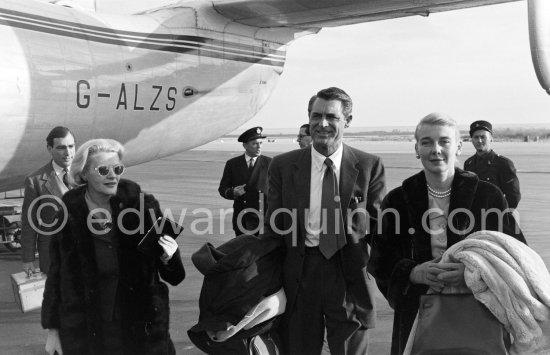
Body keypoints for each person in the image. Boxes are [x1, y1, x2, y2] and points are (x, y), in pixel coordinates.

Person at [367, 113, 526, 355]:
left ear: (459, 146)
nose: (436, 149)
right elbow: (380, 259)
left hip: (479, 314)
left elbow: (516, 255)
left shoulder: (489, 196)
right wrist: (412, 272)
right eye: (427, 142)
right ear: (417, 148)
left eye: (444, 141)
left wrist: (474, 272)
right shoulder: (398, 199)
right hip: (417, 317)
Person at [264, 87, 386, 355]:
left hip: (348, 276)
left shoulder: (369, 166)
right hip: (299, 273)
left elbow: (379, 232)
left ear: (348, 121)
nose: (322, 124)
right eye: (316, 116)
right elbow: (272, 232)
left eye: (331, 117)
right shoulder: (282, 167)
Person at [41, 139, 185, 355]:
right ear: (83, 173)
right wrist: (52, 329)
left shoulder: (140, 203)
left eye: (117, 168)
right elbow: (57, 273)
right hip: (89, 326)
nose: (113, 175)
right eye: (103, 169)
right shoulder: (69, 209)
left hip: (140, 325)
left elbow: (174, 275)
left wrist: (169, 256)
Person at [21, 126, 75, 275]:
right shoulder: (35, 181)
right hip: (53, 257)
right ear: (49, 149)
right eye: (61, 148)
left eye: (71, 146)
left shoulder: (88, 175)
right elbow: (29, 223)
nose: (68, 152)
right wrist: (28, 258)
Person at [218, 127, 272, 236]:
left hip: (263, 219)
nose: (259, 146)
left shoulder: (270, 163)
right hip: (241, 219)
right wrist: (233, 192)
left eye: (261, 143)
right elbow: (222, 189)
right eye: (254, 144)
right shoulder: (232, 164)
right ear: (245, 145)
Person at [464, 120, 521, 209]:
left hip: (495, 216)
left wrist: (504, 215)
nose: (479, 140)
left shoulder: (503, 164)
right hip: (474, 218)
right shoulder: (468, 163)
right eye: (476, 137)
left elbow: (513, 196)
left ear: (491, 138)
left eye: (483, 137)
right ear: (472, 140)